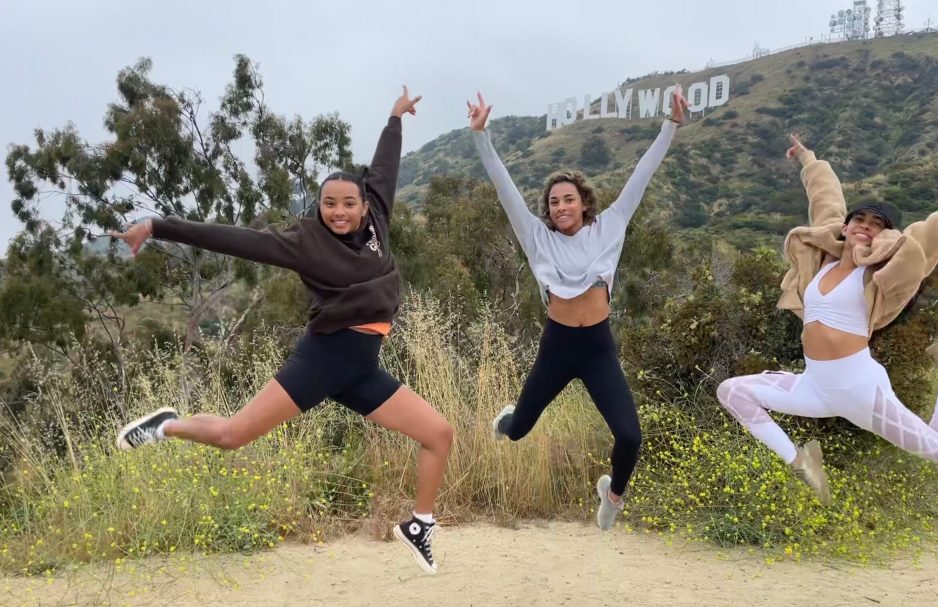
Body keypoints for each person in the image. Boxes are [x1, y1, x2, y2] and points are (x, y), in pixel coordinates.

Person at [110, 87, 451, 574]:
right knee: (231, 435)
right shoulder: (303, 242)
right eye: (329, 204)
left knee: (439, 433)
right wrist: (159, 226)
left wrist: (395, 118)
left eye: (347, 204)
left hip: (361, 371)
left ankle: (419, 524)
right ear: (319, 205)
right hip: (325, 359)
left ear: (362, 204)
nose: (339, 212)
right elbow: (233, 239)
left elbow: (384, 166)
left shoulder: (377, 217)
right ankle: (165, 425)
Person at [716, 133, 938, 503]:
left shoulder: (884, 270)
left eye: (876, 223)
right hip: (814, 385)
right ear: (845, 228)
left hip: (862, 389)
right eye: (858, 219)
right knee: (731, 391)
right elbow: (825, 195)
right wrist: (808, 158)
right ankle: (801, 462)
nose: (865, 225)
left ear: (886, 233)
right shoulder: (821, 260)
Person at [467, 87, 686, 530]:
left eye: (568, 199)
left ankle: (613, 494)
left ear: (584, 203)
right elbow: (503, 185)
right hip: (558, 347)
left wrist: (671, 126)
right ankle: (509, 417)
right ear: (546, 211)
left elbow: (642, 173)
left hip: (598, 348)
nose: (560, 206)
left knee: (630, 436)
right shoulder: (537, 238)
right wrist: (481, 136)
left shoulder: (611, 227)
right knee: (516, 431)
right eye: (553, 201)